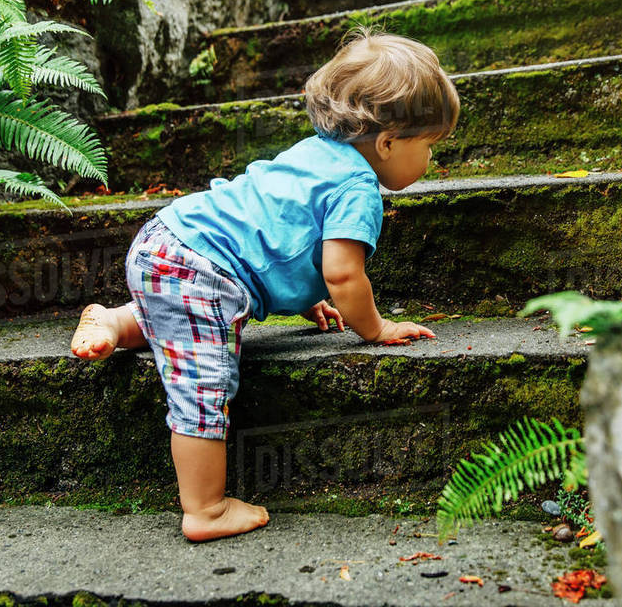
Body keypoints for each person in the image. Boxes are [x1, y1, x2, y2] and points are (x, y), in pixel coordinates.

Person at [69, 27, 460, 541]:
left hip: (167, 244)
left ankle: (118, 320)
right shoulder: (359, 187)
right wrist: (376, 328)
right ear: (387, 142)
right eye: (428, 145)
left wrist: (307, 300)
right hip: (200, 268)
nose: (431, 160)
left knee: (186, 320)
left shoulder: (315, 152)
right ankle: (205, 509)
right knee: (204, 382)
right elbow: (343, 272)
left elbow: (276, 234)